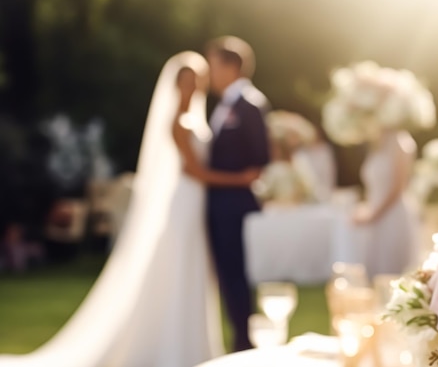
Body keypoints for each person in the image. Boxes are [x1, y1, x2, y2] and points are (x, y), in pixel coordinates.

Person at [0, 52, 253, 366]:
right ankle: (170, 347)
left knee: (196, 273)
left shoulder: (203, 118)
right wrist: (240, 179)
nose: (193, 88)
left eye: (197, 82)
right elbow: (193, 170)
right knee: (178, 269)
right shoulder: (176, 121)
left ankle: (196, 346)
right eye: (187, 82)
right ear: (176, 85)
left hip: (199, 208)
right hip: (183, 208)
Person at [200, 36, 271, 352]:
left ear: (231, 67)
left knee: (236, 273)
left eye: (213, 65)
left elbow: (258, 160)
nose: (209, 73)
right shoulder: (224, 106)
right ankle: (239, 339)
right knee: (227, 274)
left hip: (234, 206)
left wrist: (215, 179)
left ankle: (243, 342)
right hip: (219, 205)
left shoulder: (249, 105)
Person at [352, 128, 416, 277]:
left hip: (393, 215)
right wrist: (366, 210)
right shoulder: (376, 146)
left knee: (391, 272)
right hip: (375, 214)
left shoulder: (401, 143)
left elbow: (398, 187)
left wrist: (373, 215)